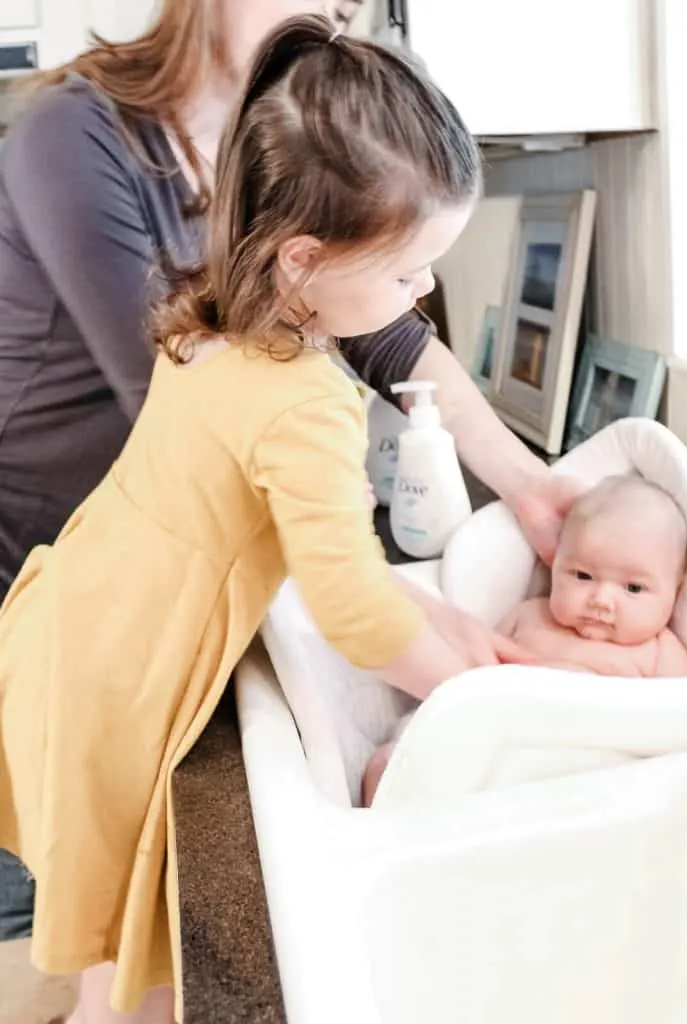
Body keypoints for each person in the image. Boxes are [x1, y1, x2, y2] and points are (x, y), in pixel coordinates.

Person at [0, 13, 547, 1023]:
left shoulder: (211, 311)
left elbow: (322, 563)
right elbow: (352, 616)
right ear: (299, 258)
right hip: (121, 687)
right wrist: (480, 690)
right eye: (402, 272)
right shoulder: (305, 405)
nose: (416, 294)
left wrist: (457, 625)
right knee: (144, 993)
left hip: (65, 638)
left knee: (104, 963)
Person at [362, 475, 687, 806]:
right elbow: (472, 672)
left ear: (675, 590)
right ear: (555, 564)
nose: (601, 599)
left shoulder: (658, 653)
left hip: (585, 776)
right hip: (497, 756)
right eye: (582, 575)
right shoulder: (529, 618)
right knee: (387, 766)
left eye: (633, 588)